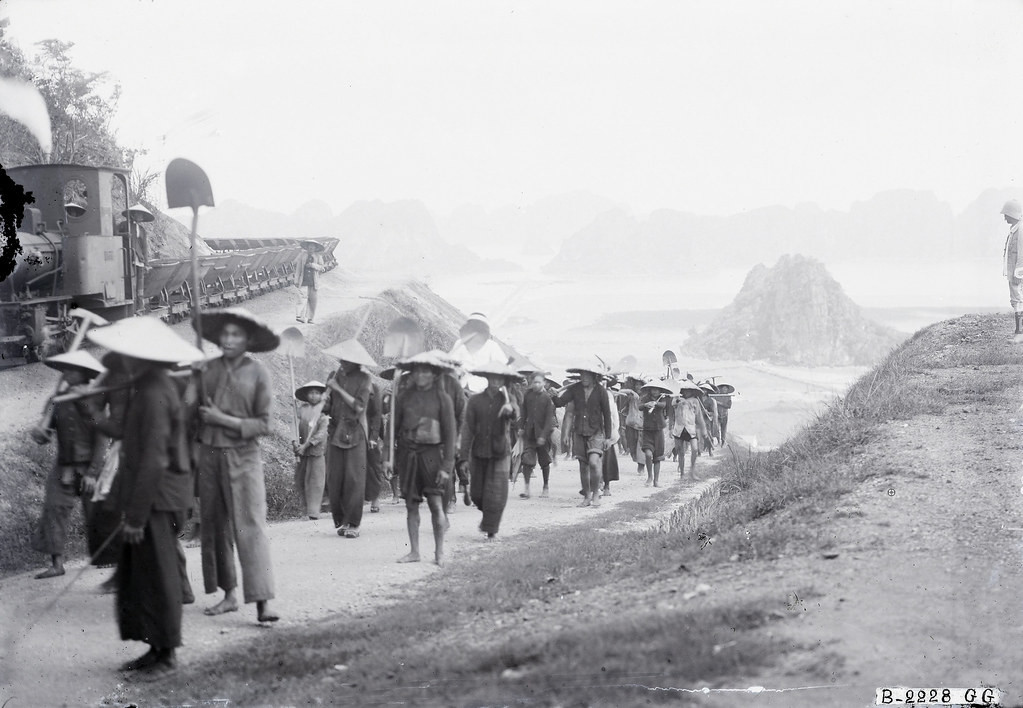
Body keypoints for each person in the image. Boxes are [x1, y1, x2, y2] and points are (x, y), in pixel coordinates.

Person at [86, 315, 205, 677]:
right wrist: (94, 413)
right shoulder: (148, 388)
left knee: (160, 575)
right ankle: (155, 648)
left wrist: (136, 516)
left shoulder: (154, 393)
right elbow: (127, 431)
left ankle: (167, 655)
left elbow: (153, 459)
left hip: (160, 496)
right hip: (152, 494)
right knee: (146, 575)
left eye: (126, 357)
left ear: (141, 359)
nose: (121, 364)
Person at [193, 307, 280, 623]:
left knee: (251, 525)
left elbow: (265, 424)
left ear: (248, 340)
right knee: (214, 526)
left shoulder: (258, 373)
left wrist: (222, 419)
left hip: (244, 458)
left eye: (236, 335)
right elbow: (191, 411)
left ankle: (262, 601)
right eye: (225, 334)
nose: (229, 340)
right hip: (209, 457)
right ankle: (228, 595)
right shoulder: (206, 369)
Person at [29, 350, 108, 579]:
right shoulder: (56, 401)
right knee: (54, 508)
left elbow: (102, 440)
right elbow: (44, 435)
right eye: (65, 370)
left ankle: (111, 561)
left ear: (83, 375)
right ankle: (57, 563)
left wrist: (93, 473)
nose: (66, 374)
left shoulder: (94, 400)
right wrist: (39, 433)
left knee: (99, 514)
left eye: (72, 370)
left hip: (90, 467)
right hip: (64, 467)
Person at [391, 353, 457, 565]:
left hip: (432, 457)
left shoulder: (442, 398)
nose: (421, 375)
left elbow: (450, 435)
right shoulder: (403, 397)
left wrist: (447, 466)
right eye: (417, 370)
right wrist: (386, 458)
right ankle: (415, 551)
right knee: (411, 506)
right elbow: (391, 428)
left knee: (436, 505)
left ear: (434, 374)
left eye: (426, 371)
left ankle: (439, 552)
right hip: (408, 455)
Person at [458, 362, 521, 539]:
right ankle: (488, 515)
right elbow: (468, 428)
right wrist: (463, 457)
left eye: (499, 378)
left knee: (496, 492)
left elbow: (516, 415)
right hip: (479, 452)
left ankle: (491, 529)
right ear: (487, 378)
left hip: (500, 452)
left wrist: (510, 411)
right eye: (492, 377)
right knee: (477, 494)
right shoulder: (475, 401)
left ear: (503, 380)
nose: (495, 380)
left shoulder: (509, 399)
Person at [323, 338, 377, 539]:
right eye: (341, 360)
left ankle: (354, 523)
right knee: (335, 478)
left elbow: (359, 407)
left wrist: (337, 388)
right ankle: (342, 520)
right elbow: (329, 406)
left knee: (354, 479)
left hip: (355, 431)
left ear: (356, 362)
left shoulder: (365, 379)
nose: (342, 363)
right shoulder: (334, 374)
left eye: (346, 361)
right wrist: (324, 400)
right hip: (335, 431)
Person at [551, 365, 614, 507]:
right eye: (582, 375)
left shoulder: (601, 391)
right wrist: (554, 395)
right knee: (583, 466)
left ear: (594, 377)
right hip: (579, 431)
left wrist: (608, 437)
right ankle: (586, 496)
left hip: (596, 432)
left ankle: (596, 493)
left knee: (593, 462)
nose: (584, 377)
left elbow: (607, 414)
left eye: (587, 375)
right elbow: (560, 403)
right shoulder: (574, 389)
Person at [293, 380, 329, 520]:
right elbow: (294, 426)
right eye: (311, 393)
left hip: (316, 451)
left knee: (316, 480)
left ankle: (314, 511)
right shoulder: (302, 410)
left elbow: (321, 434)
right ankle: (305, 509)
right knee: (302, 479)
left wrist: (307, 445)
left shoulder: (323, 413)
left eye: (316, 393)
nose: (313, 396)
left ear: (321, 395)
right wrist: (295, 443)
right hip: (301, 452)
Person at [517, 370, 556, 499]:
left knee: (544, 462)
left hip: (544, 436)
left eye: (539, 382)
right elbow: (523, 413)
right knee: (527, 460)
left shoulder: (547, 399)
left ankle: (545, 487)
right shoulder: (528, 395)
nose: (536, 385)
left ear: (544, 383)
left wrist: (543, 436)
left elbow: (549, 420)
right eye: (534, 382)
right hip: (530, 433)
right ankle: (527, 488)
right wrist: (521, 427)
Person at [448, 312, 509, 394]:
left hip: (481, 389)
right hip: (460, 386)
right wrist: (458, 370)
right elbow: (450, 363)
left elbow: (505, 367)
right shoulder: (460, 343)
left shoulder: (492, 346)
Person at [638, 381, 671, 487]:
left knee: (657, 457)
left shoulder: (662, 398)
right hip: (647, 430)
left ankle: (656, 480)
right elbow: (639, 406)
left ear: (660, 390)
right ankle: (649, 477)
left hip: (658, 430)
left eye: (657, 389)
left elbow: (663, 405)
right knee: (648, 454)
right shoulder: (645, 398)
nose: (655, 391)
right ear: (650, 389)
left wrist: (656, 403)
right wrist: (646, 404)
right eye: (653, 389)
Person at [672, 381, 705, 481]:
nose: (686, 392)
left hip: (691, 428)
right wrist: (679, 401)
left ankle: (692, 471)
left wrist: (704, 429)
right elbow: (673, 405)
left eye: (688, 390)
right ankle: (682, 473)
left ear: (692, 391)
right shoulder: (676, 399)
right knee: (680, 451)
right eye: (684, 390)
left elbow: (699, 416)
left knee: (695, 449)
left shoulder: (695, 401)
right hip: (679, 428)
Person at [1001, 200, 1023, 342]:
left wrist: (1018, 273)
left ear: (1012, 214)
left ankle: (1019, 334)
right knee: (1017, 300)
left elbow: (1021, 253)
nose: (1005, 218)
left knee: (1017, 301)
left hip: (1017, 273)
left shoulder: (1020, 230)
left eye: (1006, 215)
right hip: (1014, 271)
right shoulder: (1015, 229)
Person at [295, 241, 326, 324]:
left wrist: (313, 265)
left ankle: (310, 318)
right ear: (307, 247)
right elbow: (298, 268)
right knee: (302, 298)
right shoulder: (302, 256)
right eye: (309, 247)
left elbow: (322, 268)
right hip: (304, 280)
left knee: (313, 300)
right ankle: (300, 316)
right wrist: (296, 280)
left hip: (313, 281)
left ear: (315, 248)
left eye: (313, 247)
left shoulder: (318, 257)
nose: (311, 248)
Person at [601, 375, 621, 497]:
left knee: (607, 459)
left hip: (607, 431)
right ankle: (595, 483)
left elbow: (614, 416)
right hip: (593, 430)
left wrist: (612, 433)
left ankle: (606, 485)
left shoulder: (609, 396)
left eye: (605, 382)